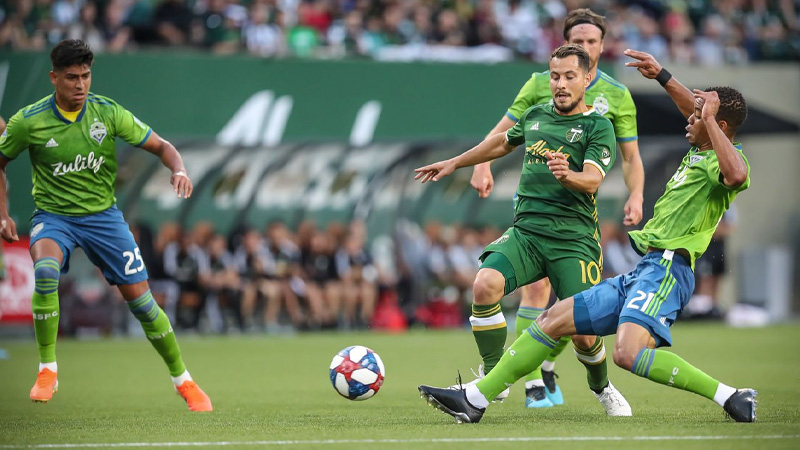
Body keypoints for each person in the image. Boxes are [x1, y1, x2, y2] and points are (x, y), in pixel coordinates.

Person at [418, 50, 756, 423]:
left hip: (667, 268)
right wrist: (663, 76)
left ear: (719, 126)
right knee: (553, 320)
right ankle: (476, 399)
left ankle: (729, 396)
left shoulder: (723, 161)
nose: (689, 118)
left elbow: (737, 175)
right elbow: (694, 113)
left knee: (626, 354)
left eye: (699, 115)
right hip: (641, 267)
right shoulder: (700, 147)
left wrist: (705, 116)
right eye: (554, 76)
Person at [415, 44, 631, 416]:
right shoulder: (534, 116)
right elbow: (500, 143)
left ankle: (602, 387)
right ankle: (493, 375)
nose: (560, 83)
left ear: (587, 79)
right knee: (485, 283)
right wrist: (456, 162)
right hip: (527, 233)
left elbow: (593, 180)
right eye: (555, 75)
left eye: (569, 76)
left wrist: (569, 175)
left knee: (583, 332)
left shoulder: (598, 127)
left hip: (573, 241)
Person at [0, 39, 212, 411]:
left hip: (104, 219)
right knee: (46, 272)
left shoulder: (107, 113)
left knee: (144, 305)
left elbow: (163, 146)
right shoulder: (28, 121)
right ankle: (48, 369)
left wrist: (178, 169)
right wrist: (3, 212)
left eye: (86, 76)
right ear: (53, 78)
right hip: (55, 218)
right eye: (71, 78)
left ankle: (185, 381)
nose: (80, 85)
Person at [469, 8, 645, 408]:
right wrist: (481, 164)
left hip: (576, 218)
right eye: (576, 41)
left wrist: (635, 195)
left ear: (601, 47)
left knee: (579, 323)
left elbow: (631, 158)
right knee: (528, 289)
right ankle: (525, 381)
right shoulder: (538, 84)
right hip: (532, 213)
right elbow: (504, 132)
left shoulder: (616, 96)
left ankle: (588, 382)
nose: (584, 47)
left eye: (591, 42)